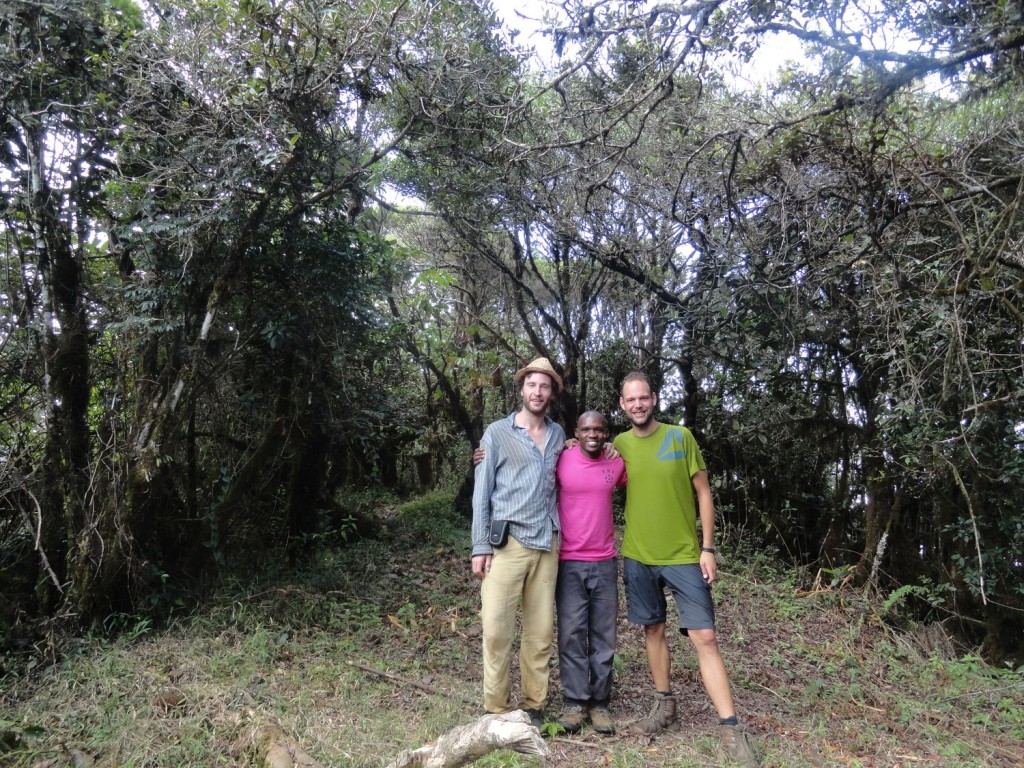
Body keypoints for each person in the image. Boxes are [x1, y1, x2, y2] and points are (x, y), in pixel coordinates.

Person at [615, 371, 759, 766]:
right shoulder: (619, 445)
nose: (638, 404)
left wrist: (708, 548)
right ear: (622, 405)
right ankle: (665, 706)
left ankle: (730, 727)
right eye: (631, 400)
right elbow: (586, 464)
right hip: (638, 554)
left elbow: (703, 492)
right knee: (653, 629)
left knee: (705, 636)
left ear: (654, 399)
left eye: (643, 397)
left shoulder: (681, 438)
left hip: (683, 555)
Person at [471, 357, 565, 728]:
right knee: (496, 629)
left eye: (544, 386)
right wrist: (480, 545)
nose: (537, 392)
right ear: (521, 388)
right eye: (531, 385)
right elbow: (482, 493)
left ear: (551, 393)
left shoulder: (559, 435)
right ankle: (496, 708)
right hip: (506, 544)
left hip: (547, 543)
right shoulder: (496, 433)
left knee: (540, 632)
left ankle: (533, 706)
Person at [551, 410, 626, 735]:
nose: (592, 435)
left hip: (605, 562)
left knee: (603, 637)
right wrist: (482, 455)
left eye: (598, 429)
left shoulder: (617, 463)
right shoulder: (562, 458)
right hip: (568, 560)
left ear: (606, 433)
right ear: (576, 432)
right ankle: (574, 701)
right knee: (570, 633)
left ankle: (599, 703)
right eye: (586, 429)